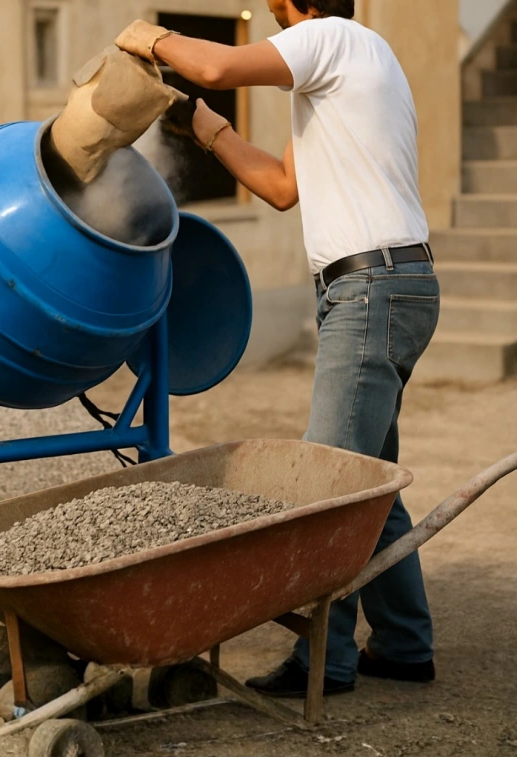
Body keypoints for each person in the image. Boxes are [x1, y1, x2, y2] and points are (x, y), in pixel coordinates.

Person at [115, 0, 440, 697]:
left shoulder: (329, 39)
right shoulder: (356, 62)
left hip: (370, 288)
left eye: (274, 11)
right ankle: (406, 643)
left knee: (326, 484)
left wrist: (147, 35)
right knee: (371, 472)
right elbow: (283, 188)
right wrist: (209, 131)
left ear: (295, 7)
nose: (271, 21)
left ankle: (324, 661)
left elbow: (217, 63)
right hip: (389, 284)